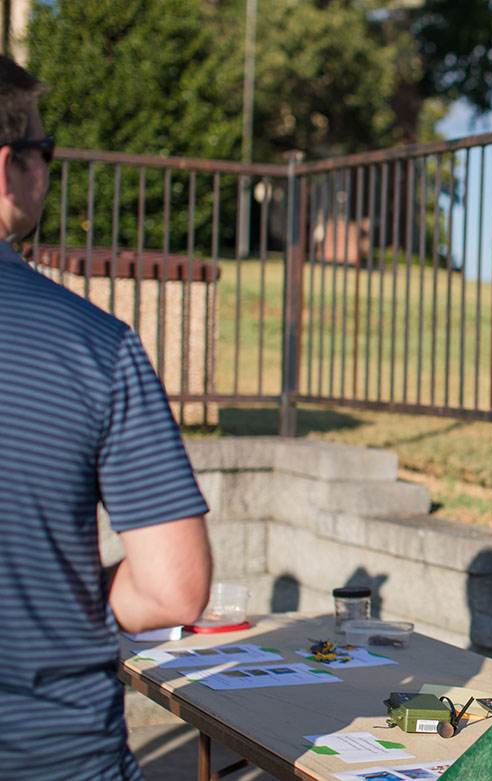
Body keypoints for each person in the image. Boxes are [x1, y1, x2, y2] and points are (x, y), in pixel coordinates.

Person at [0, 56, 213, 778]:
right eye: (44, 151)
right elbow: (171, 586)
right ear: (8, 167)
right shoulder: (96, 346)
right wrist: (58, 594)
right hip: (56, 752)